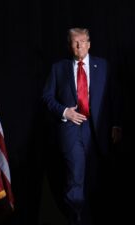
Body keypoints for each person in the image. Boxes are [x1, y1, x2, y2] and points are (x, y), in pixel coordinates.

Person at [42, 27, 121, 225]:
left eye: (83, 41)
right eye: (75, 42)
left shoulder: (103, 66)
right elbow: (47, 97)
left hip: (98, 131)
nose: (79, 46)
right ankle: (76, 220)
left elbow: (114, 96)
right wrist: (64, 112)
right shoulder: (58, 68)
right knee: (75, 179)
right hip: (71, 131)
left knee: (95, 181)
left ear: (89, 43)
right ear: (69, 45)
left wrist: (116, 124)